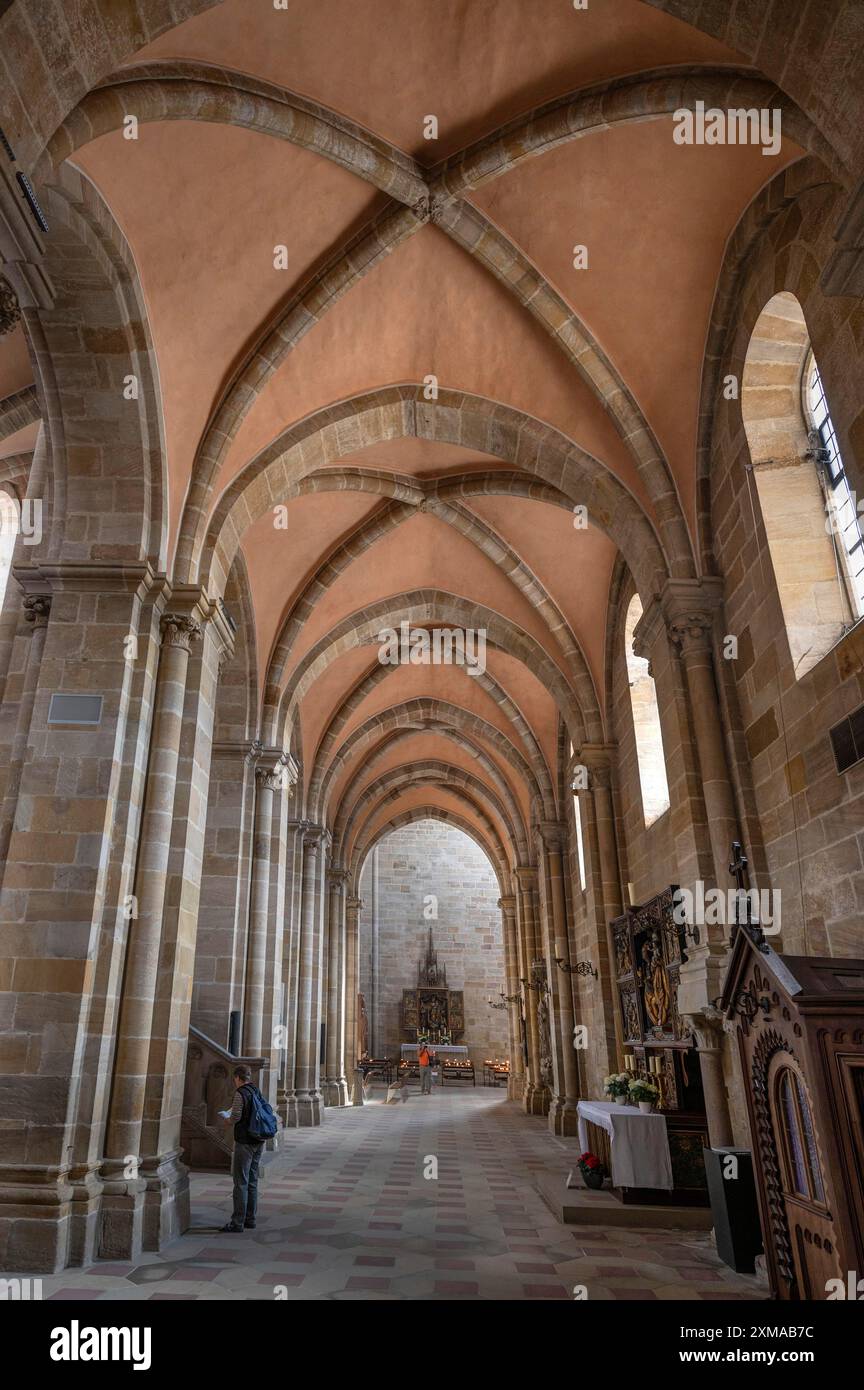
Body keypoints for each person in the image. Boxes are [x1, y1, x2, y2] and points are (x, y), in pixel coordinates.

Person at [219, 1065, 265, 1233]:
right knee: (252, 1180)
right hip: (258, 1140)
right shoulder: (255, 1090)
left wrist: (227, 1119)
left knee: (240, 1182)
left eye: (235, 1079)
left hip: (244, 1141)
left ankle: (237, 1222)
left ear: (238, 1078)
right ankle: (250, 1219)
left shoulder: (240, 1093)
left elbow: (236, 1116)